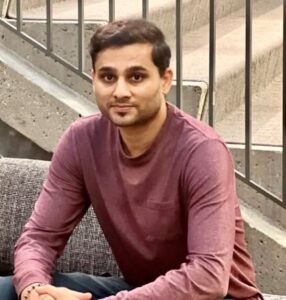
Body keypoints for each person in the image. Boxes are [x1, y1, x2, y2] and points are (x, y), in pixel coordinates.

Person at [0, 18, 263, 300]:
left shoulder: (202, 151)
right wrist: (34, 290)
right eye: (108, 77)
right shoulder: (82, 140)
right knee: (8, 290)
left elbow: (208, 276)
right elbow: (40, 238)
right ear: (94, 79)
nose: (120, 91)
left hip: (215, 297)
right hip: (139, 291)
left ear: (165, 80)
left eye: (136, 77)